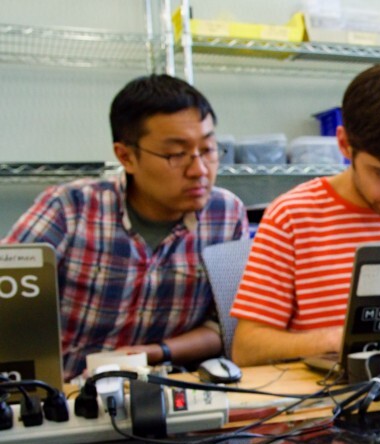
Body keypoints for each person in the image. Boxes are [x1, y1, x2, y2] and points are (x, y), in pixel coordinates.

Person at [2, 74, 248, 380]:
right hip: (69, 393)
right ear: (126, 156)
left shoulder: (226, 214)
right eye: (175, 154)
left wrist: (156, 351)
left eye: (209, 149)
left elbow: (226, 326)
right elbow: (8, 306)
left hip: (170, 389)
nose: (199, 170)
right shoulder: (70, 208)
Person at [229, 63, 380, 367]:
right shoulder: (291, 216)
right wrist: (336, 340)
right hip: (330, 405)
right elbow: (247, 348)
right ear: (344, 144)